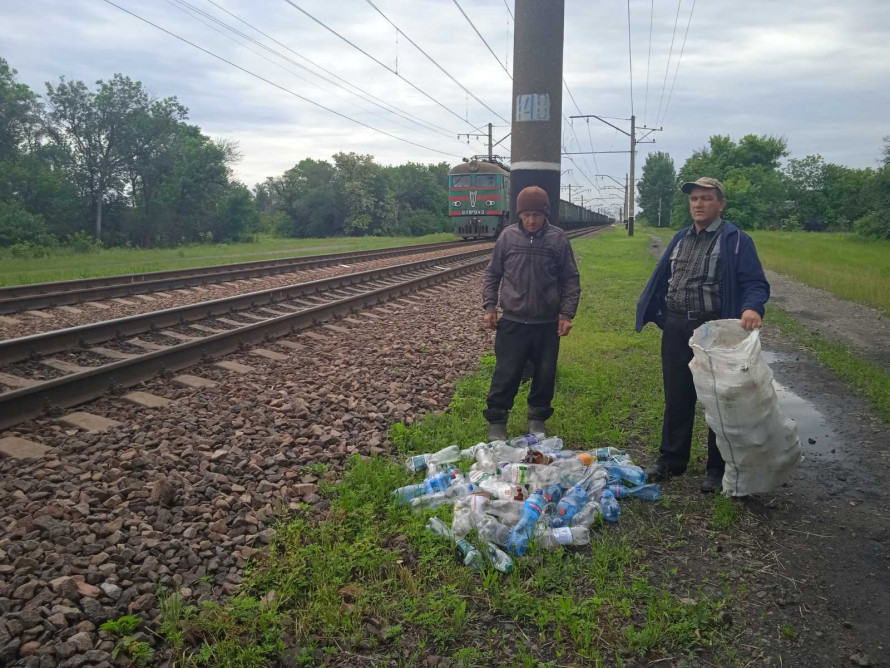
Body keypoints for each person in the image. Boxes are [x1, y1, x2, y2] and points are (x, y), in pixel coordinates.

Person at [635, 177, 770, 493]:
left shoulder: (736, 240)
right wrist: (661, 315)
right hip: (677, 326)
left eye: (706, 198)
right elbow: (665, 278)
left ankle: (717, 468)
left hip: (715, 331)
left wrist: (753, 307)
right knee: (677, 395)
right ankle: (671, 459)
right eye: (694, 198)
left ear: (721, 203)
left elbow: (756, 283)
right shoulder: (681, 238)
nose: (698, 203)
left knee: (719, 400)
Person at [482, 186, 581, 441]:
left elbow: (571, 279)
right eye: (526, 214)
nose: (531, 220)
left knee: (545, 374)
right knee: (506, 372)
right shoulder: (507, 237)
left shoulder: (558, 239)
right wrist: (490, 306)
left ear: (545, 214)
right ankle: (497, 420)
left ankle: (537, 420)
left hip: (547, 323)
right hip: (512, 321)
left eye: (536, 214)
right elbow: (493, 274)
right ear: (519, 214)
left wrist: (567, 314)